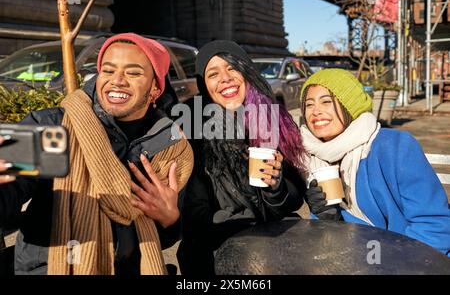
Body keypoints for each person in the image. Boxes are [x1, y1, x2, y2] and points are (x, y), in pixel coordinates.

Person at [0, 33, 194, 274]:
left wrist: (170, 219)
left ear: (155, 88)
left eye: (133, 73)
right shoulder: (52, 128)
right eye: (108, 70)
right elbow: (8, 194)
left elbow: (161, 240)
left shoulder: (169, 146)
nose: (117, 80)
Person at [176, 40, 307, 275]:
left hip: (271, 256)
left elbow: (294, 198)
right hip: (215, 261)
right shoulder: (193, 133)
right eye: (213, 74)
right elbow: (193, 217)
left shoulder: (272, 121)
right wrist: (248, 223)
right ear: (205, 86)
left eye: (232, 68)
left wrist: (275, 189)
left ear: (246, 73)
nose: (225, 78)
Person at [300, 68, 450, 256]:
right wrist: (328, 218)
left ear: (349, 105)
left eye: (326, 102)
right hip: (358, 258)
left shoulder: (394, 147)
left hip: (410, 259)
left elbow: (434, 226)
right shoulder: (314, 159)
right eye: (309, 104)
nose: (316, 112)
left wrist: (395, 265)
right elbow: (329, 243)